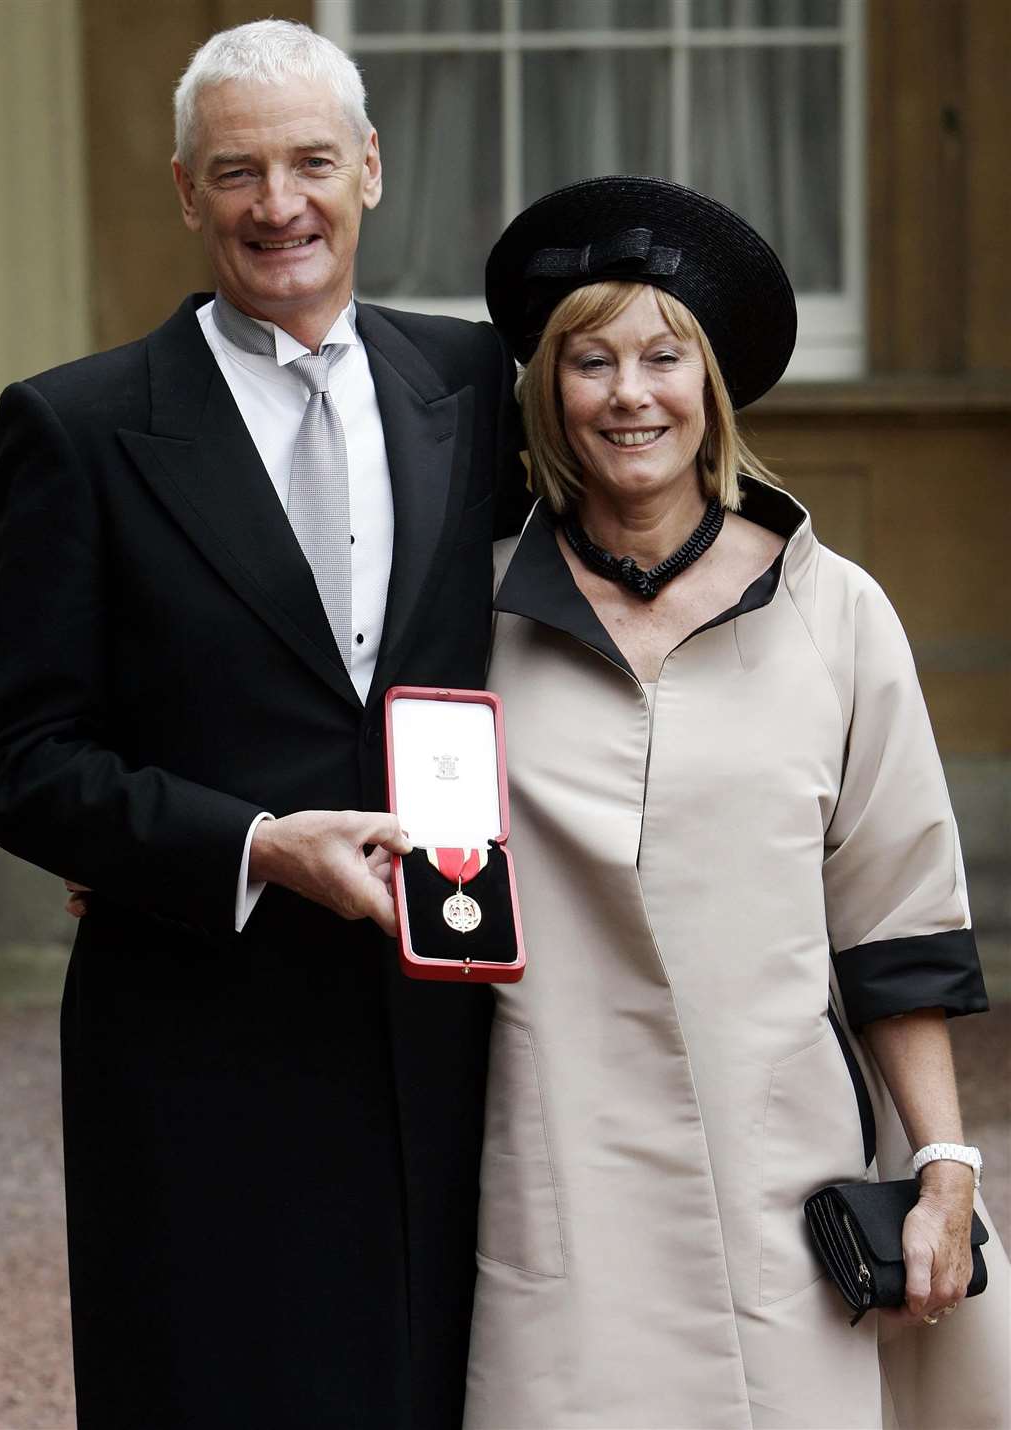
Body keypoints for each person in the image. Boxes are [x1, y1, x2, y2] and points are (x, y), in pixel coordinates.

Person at [0, 20, 526, 1430]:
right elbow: (10, 757)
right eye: (239, 171)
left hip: (445, 1036)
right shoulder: (79, 429)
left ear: (372, 171)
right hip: (201, 1049)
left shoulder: (472, 386)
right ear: (185, 192)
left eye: (313, 162)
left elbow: (625, 541)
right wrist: (252, 846)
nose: (281, 204)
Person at [462, 177, 1008, 1430]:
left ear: (710, 384)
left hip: (780, 1179)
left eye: (664, 355)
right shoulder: (467, 613)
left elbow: (899, 924)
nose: (629, 392)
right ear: (549, 390)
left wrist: (942, 1163)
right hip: (546, 1172)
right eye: (590, 360)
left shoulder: (839, 611)